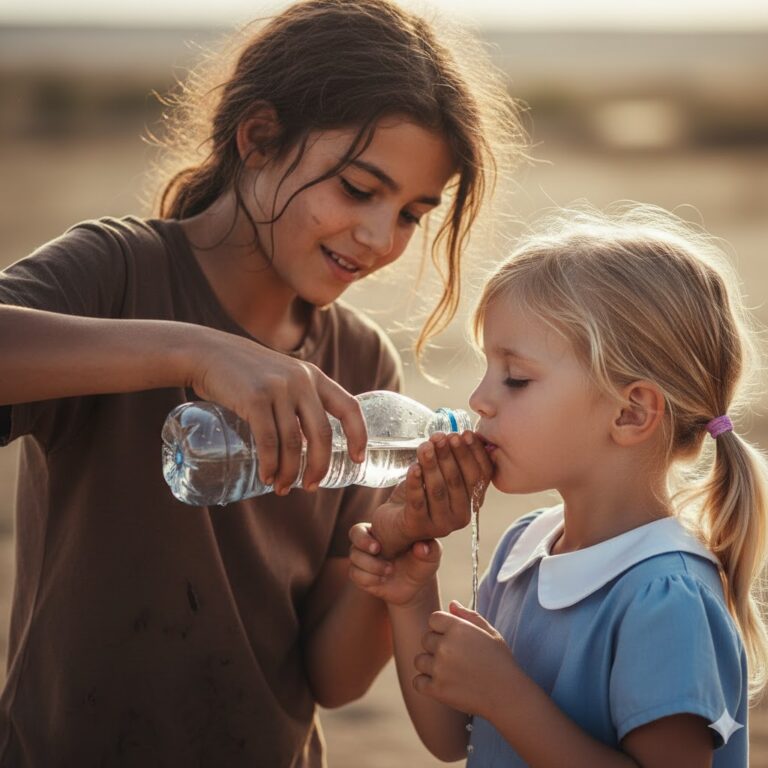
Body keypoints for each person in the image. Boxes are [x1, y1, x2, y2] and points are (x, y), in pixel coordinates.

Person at [0, 1, 521, 765]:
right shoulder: (120, 274)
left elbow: (330, 678)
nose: (381, 239)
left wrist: (399, 538)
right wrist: (194, 352)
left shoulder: (360, 364)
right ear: (258, 139)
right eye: (357, 189)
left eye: (412, 213)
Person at [350, 203, 768, 767]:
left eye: (516, 378)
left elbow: (505, 708)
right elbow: (454, 739)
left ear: (630, 413)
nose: (478, 399)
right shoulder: (524, 550)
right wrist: (408, 596)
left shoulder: (665, 594)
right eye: (487, 369)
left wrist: (506, 693)